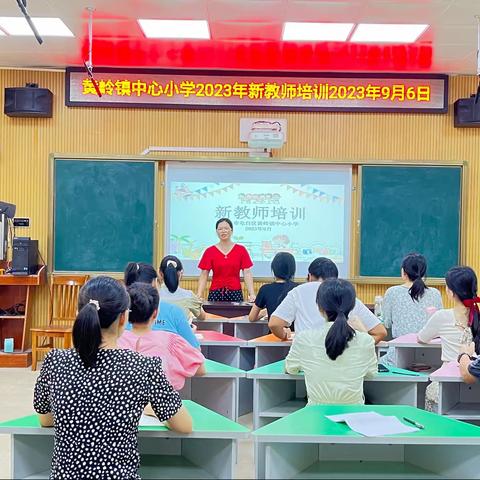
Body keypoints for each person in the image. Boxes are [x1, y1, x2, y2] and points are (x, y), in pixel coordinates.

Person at [33, 276, 192, 479]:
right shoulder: (143, 366)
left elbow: (46, 419)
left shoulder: (55, 361)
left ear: (77, 314)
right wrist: (150, 409)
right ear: (124, 318)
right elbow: (184, 425)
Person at [285, 278, 377, 405]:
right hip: (354, 414)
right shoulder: (365, 340)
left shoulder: (304, 338)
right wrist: (363, 331)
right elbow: (371, 373)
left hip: (315, 414)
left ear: (320, 307)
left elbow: (290, 368)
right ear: (351, 307)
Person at [269, 257, 387, 343]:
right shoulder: (345, 293)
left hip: (306, 361)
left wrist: (284, 335)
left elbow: (274, 324)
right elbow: (380, 332)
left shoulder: (298, 292)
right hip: (342, 364)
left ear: (309, 276)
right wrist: (362, 345)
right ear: (336, 278)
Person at [119, 282, 206, 391]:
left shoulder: (116, 340)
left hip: (124, 404)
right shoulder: (172, 340)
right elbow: (200, 369)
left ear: (126, 312)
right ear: (155, 313)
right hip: (161, 404)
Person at [418, 266, 480, 411]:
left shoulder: (441, 316)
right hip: (476, 388)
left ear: (451, 292)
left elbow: (422, 338)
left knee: (430, 390)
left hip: (447, 385)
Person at [382, 253, 443, 365]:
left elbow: (387, 324)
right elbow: (439, 325)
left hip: (399, 356)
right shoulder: (435, 294)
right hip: (432, 356)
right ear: (424, 272)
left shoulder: (392, 292)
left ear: (404, 272)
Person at [123, 262, 200, 348]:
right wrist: (186, 336)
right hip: (167, 361)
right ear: (155, 283)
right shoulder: (174, 311)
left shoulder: (118, 312)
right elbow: (196, 350)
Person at [196, 218, 255, 302]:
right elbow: (204, 274)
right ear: (216, 231)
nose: (223, 231)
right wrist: (199, 294)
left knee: (237, 315)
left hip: (235, 292)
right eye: (220, 229)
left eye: (226, 228)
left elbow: (247, 272)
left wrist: (252, 294)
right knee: (213, 315)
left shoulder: (241, 250)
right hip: (215, 292)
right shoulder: (209, 251)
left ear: (231, 230)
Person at [249, 252, 298, 322]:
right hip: (295, 332)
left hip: (274, 332)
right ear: (292, 270)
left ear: (274, 269)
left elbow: (252, 318)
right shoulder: (298, 288)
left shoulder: (265, 289)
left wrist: (264, 312)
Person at [159, 255, 206, 320]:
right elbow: (202, 317)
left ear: (160, 273)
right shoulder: (188, 296)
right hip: (180, 330)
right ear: (181, 273)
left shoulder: (151, 296)